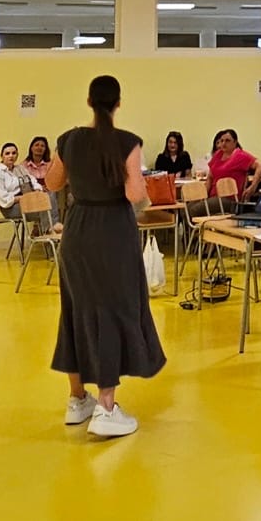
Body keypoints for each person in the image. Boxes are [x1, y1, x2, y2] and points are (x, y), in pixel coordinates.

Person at [46, 76, 163, 439]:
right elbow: (134, 194)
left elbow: (52, 183)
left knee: (76, 309)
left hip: (78, 230)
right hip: (113, 232)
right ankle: (107, 407)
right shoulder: (127, 142)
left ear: (88, 101)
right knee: (113, 311)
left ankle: (77, 399)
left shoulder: (68, 139)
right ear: (118, 103)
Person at [186, 127, 259, 216]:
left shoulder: (240, 155)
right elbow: (210, 178)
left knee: (194, 210)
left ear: (235, 142)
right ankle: (194, 225)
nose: (223, 143)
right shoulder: (218, 154)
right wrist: (202, 195)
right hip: (212, 196)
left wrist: (253, 186)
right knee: (186, 208)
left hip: (229, 199)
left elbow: (260, 166)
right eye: (222, 141)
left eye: (227, 141)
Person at [0, 140, 28, 220]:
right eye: (7, 153)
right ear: (2, 156)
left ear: (17, 155)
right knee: (42, 207)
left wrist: (38, 190)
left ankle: (48, 226)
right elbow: (3, 199)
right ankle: (49, 226)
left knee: (48, 197)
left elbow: (32, 181)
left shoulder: (20, 169)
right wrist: (21, 198)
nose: (11, 156)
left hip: (25, 201)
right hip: (10, 208)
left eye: (14, 153)